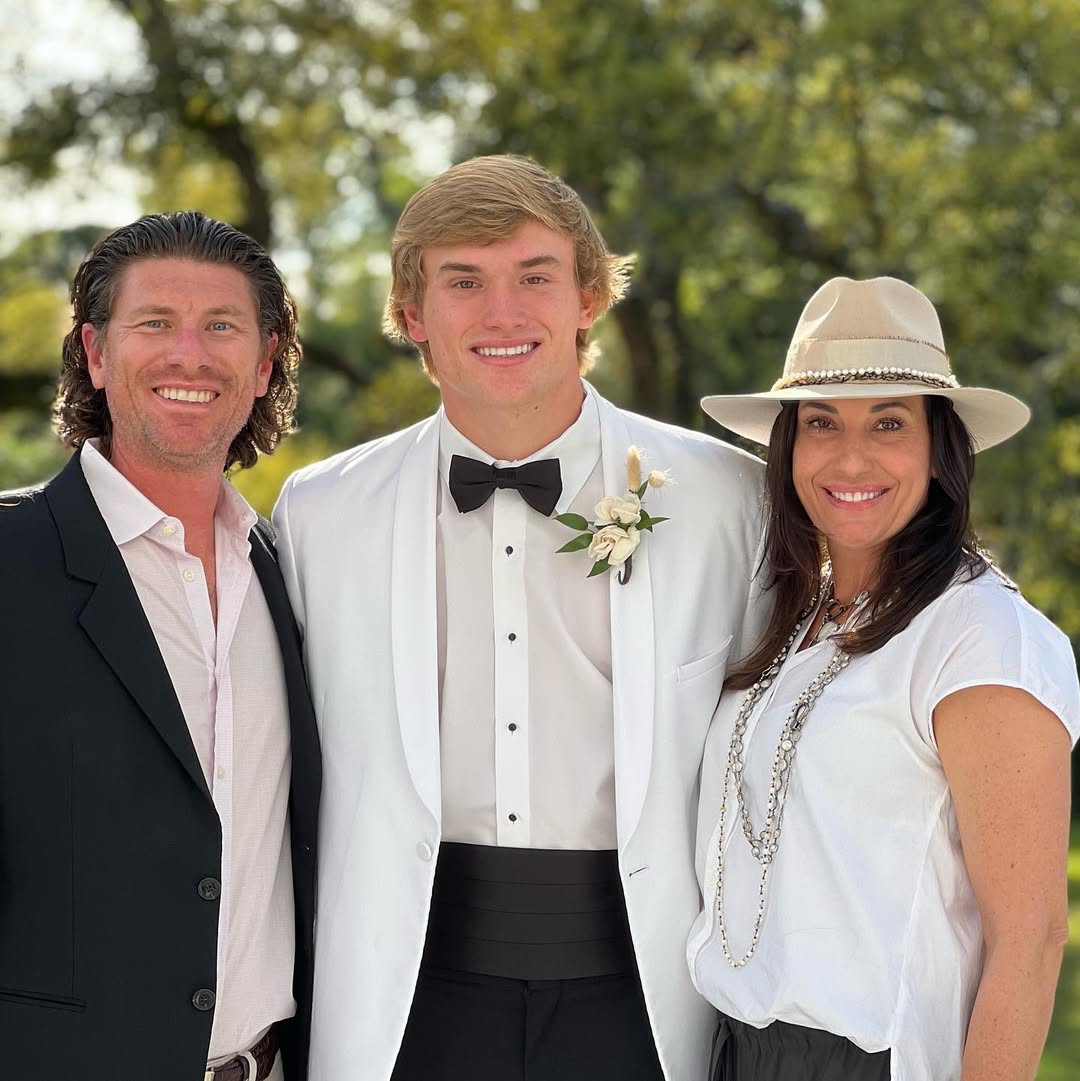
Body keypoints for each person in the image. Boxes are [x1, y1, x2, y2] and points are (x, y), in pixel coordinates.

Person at [272, 154, 767, 1081]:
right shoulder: (318, 513)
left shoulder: (729, 498)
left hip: (651, 995)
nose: (502, 313)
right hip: (403, 995)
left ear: (589, 297)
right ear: (413, 314)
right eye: (464, 282)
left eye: (535, 277)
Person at [688, 276, 1080, 1081]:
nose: (851, 456)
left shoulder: (982, 638)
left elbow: (1032, 937)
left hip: (874, 1061)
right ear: (789, 446)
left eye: (889, 422)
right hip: (732, 1049)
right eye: (821, 422)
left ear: (940, 448)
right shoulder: (793, 617)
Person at [0, 211, 321, 1081]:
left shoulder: (288, 571)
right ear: (96, 353)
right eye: (155, 323)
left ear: (264, 363)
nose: (189, 354)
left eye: (221, 325)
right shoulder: (9, 562)